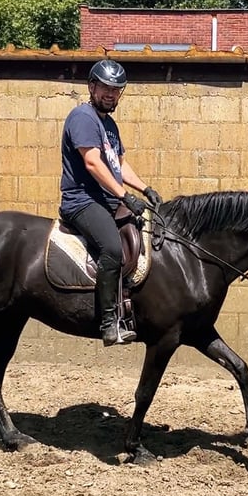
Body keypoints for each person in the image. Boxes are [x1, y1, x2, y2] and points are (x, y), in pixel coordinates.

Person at [59, 59, 163, 347]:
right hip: (82, 201)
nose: (110, 94)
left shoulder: (109, 124)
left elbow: (118, 165)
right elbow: (93, 163)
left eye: (116, 90)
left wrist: (144, 188)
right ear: (91, 87)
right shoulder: (82, 117)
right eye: (105, 87)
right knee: (112, 248)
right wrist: (123, 195)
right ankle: (108, 321)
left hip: (107, 200)